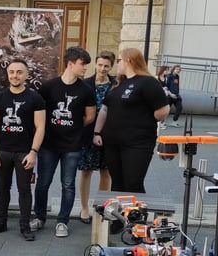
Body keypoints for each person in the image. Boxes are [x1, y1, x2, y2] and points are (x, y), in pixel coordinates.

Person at [31, 46, 96, 238]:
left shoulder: (86, 90)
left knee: (68, 184)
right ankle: (39, 217)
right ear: (70, 64)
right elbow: (39, 114)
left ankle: (62, 221)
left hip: (72, 146)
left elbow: (90, 116)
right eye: (82, 64)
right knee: (43, 183)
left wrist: (73, 126)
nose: (85, 69)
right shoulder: (49, 86)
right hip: (49, 145)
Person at [92, 47, 170, 193]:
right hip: (113, 142)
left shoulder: (147, 82)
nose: (117, 64)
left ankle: (135, 214)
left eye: (119, 60)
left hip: (137, 143)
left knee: (133, 183)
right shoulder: (118, 82)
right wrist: (97, 132)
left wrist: (143, 120)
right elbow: (105, 108)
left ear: (129, 61)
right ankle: (119, 214)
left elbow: (163, 110)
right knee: (117, 183)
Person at [0, 58, 45, 241]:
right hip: (3, 152)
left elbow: (40, 127)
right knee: (2, 188)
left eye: (19, 72)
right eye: (12, 72)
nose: (15, 75)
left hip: (24, 153)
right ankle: (1, 222)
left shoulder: (35, 98)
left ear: (26, 75)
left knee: (24, 190)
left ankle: (25, 226)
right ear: (7, 74)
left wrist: (33, 152)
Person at [77, 51, 116, 224]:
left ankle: (100, 207)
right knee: (86, 171)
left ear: (111, 67)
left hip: (109, 134)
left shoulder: (116, 84)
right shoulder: (85, 83)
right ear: (96, 64)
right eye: (100, 65)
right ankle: (84, 208)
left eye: (106, 66)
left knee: (106, 172)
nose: (102, 68)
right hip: (87, 134)